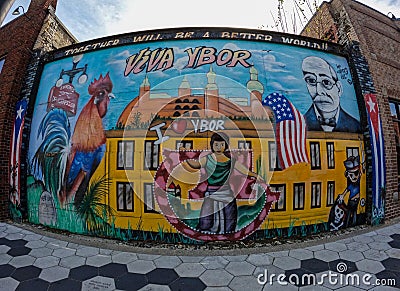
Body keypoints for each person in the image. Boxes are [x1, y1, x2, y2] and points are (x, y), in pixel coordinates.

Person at [181, 132, 263, 234]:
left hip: (226, 192)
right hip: (211, 192)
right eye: (216, 144)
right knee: (206, 219)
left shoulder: (230, 160)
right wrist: (183, 157)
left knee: (229, 216)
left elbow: (243, 170)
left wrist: (255, 176)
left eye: (222, 144)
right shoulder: (207, 159)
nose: (219, 147)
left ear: (226, 145)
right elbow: (196, 164)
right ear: (212, 145)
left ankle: (227, 234)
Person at [302, 56, 361, 132]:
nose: (319, 91)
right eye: (311, 81)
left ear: (339, 89)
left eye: (326, 82)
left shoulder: (355, 126)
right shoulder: (298, 125)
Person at [338, 155, 362, 227]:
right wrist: (342, 196)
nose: (354, 177)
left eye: (356, 173)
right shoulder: (351, 185)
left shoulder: (356, 183)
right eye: (351, 175)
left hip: (354, 200)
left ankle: (351, 223)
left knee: (352, 212)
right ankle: (348, 223)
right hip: (352, 200)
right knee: (350, 212)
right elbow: (346, 191)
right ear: (348, 175)